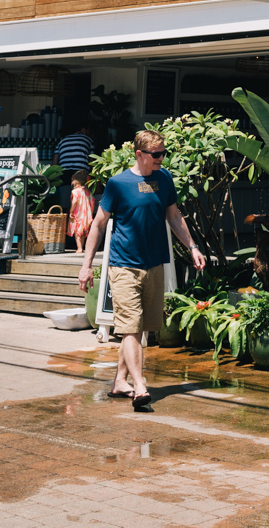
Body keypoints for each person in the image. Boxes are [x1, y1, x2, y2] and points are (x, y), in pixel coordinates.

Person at [76, 130, 206, 412]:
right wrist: (86, 266)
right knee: (131, 328)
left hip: (154, 264)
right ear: (140, 155)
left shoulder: (164, 178)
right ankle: (140, 387)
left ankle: (120, 382)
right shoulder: (118, 184)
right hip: (124, 266)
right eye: (156, 154)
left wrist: (193, 247)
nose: (161, 158)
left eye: (163, 153)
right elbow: (98, 225)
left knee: (140, 329)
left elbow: (173, 216)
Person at [53, 124, 95, 214]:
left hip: (64, 173)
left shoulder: (62, 141)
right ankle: (79, 225)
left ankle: (67, 223)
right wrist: (94, 176)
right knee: (80, 203)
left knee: (65, 203)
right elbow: (91, 161)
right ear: (83, 129)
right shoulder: (88, 139)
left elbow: (55, 163)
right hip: (81, 173)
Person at [67, 170, 94, 252]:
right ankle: (81, 247)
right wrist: (90, 213)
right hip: (85, 215)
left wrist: (71, 211)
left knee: (77, 232)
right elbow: (92, 202)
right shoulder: (87, 192)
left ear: (74, 181)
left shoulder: (75, 191)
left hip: (78, 214)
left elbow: (74, 202)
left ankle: (79, 248)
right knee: (81, 232)